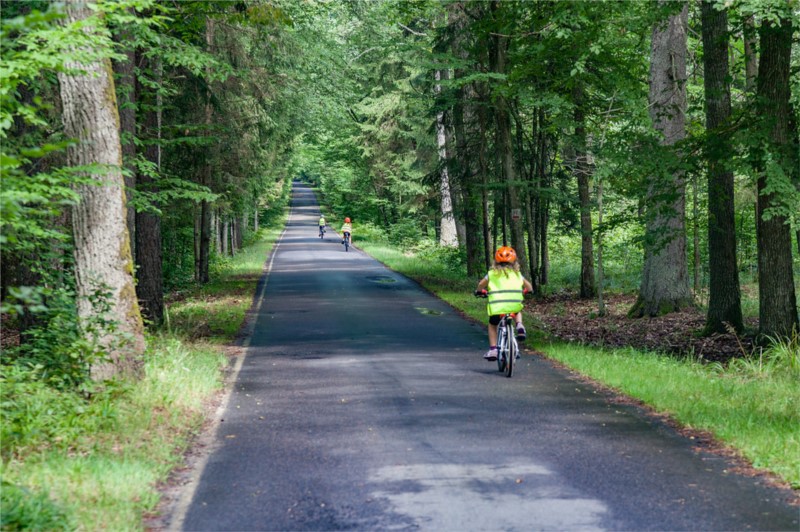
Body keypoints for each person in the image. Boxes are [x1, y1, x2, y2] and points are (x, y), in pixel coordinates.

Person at [475, 246, 533, 361]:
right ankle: (519, 325)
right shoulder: (517, 274)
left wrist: (479, 291)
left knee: (492, 326)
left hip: (497, 308)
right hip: (513, 305)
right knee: (517, 309)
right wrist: (528, 291)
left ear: (496, 261)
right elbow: (529, 287)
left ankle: (493, 350)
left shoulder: (491, 274)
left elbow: (481, 285)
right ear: (514, 261)